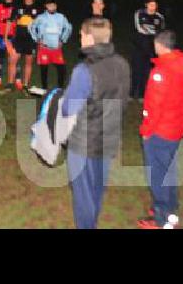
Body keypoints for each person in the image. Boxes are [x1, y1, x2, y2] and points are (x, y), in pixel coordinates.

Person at [62, 18, 130, 228]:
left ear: (90, 38)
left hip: (85, 141)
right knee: (96, 189)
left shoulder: (84, 70)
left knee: (83, 195)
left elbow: (68, 108)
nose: (79, 38)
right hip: (109, 136)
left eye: (81, 35)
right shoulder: (122, 63)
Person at [137, 29, 183, 230]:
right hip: (177, 125)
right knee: (169, 169)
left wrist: (146, 131)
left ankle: (161, 217)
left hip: (161, 130)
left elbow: (154, 105)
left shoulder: (161, 72)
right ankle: (171, 207)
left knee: (157, 173)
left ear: (158, 45)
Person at [29, 0, 72, 93]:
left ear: (56, 6)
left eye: (53, 5)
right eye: (49, 5)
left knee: (61, 69)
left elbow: (68, 28)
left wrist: (62, 39)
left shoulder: (61, 17)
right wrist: (37, 39)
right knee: (44, 69)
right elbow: (31, 27)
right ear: (46, 6)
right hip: (44, 47)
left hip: (56, 48)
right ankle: (44, 88)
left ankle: (60, 89)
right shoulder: (41, 17)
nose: (51, 7)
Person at [130, 0, 165, 101]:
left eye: (155, 5)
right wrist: (152, 30)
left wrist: (151, 31)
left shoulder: (159, 17)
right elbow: (139, 28)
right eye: (151, 5)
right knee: (136, 69)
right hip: (139, 45)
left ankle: (142, 94)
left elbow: (160, 31)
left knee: (147, 71)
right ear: (146, 5)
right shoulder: (139, 13)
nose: (153, 7)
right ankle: (132, 93)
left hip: (152, 48)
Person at [12, 0, 41, 95]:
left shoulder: (38, 9)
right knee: (13, 59)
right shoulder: (18, 7)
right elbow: (12, 20)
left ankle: (25, 85)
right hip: (19, 38)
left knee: (28, 62)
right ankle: (11, 83)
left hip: (31, 39)